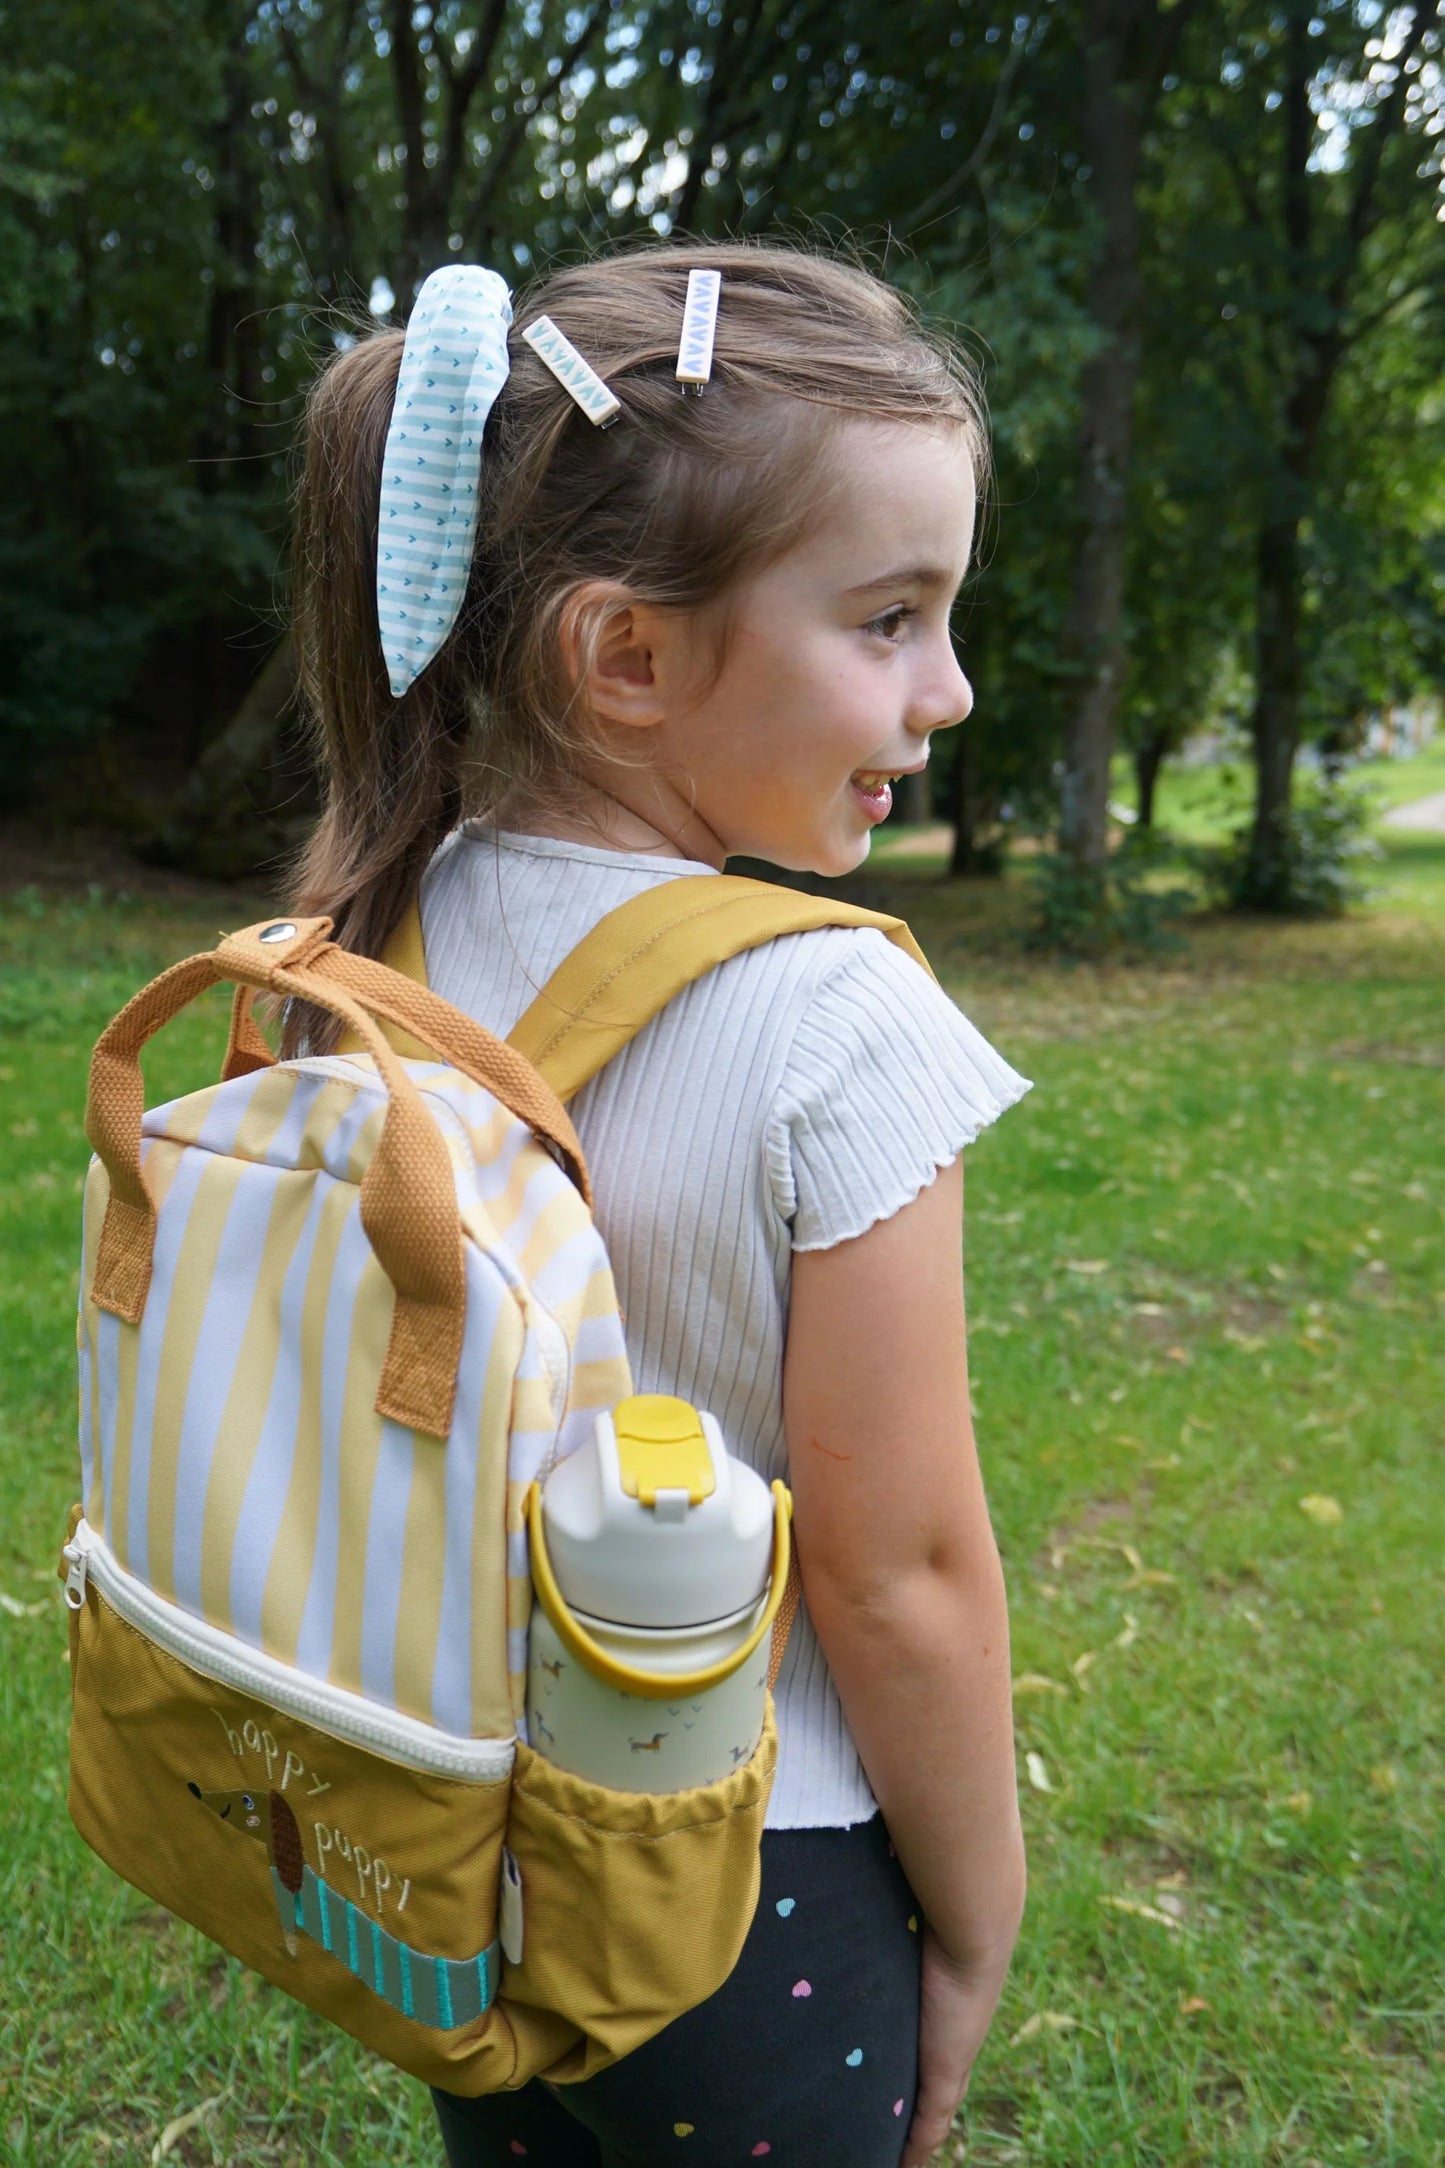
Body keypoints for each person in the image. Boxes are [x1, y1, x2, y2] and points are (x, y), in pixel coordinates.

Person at [284, 241, 1030, 2168]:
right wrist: (979, 1905)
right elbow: (899, 1575)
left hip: (448, 1838)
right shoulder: (834, 1016)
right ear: (626, 656)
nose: (947, 688)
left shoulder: (374, 935)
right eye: (889, 619)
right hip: (747, 1887)